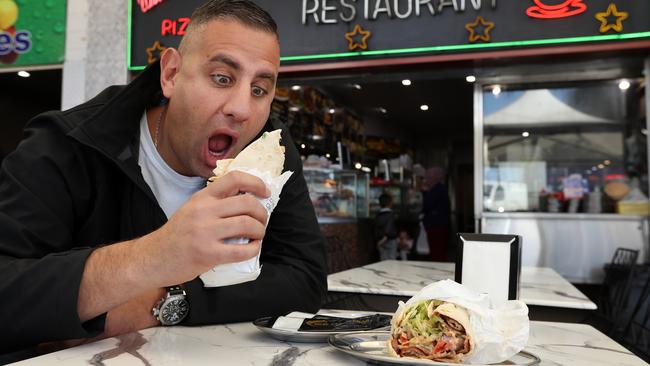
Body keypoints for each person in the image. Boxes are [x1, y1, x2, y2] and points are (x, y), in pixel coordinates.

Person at [0, 0, 327, 354]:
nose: (242, 109)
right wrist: (156, 254)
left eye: (259, 90)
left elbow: (305, 279)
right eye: (222, 78)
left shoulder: (269, 149)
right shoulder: (65, 145)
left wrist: (165, 303)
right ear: (171, 73)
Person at [421, 167, 451, 261]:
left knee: (437, 252)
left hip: (437, 225)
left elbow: (427, 205)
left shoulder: (437, 190)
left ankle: (439, 272)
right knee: (437, 251)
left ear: (434, 178)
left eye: (428, 177)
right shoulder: (439, 189)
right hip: (438, 225)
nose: (426, 180)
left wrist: (425, 192)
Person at [374, 193, 398, 260]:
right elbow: (389, 227)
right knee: (391, 260)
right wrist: (385, 238)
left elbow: (376, 228)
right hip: (390, 240)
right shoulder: (391, 214)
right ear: (390, 203)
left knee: (383, 260)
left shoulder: (378, 215)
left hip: (380, 240)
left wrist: (379, 240)